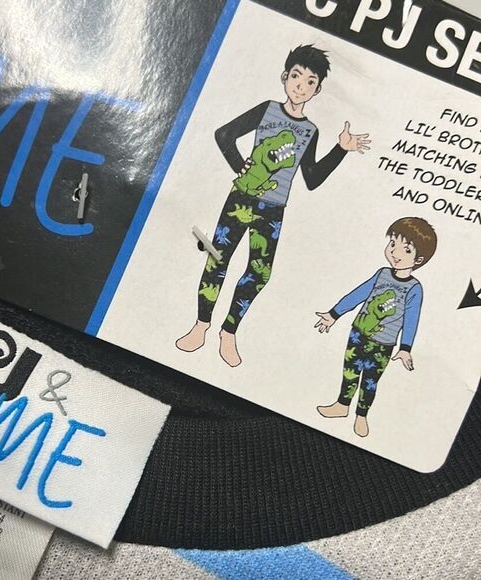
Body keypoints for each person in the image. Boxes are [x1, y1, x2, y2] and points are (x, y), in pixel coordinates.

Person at [176, 45, 370, 367]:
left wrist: (340, 149)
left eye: (310, 82)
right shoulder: (267, 109)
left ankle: (228, 331)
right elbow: (224, 135)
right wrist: (240, 166)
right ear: (284, 77)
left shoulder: (310, 131)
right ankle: (201, 325)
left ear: (317, 90)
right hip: (242, 196)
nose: (301, 86)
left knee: (259, 272)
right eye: (296, 76)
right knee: (217, 259)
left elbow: (312, 178)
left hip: (273, 208)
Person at [315, 216, 438, 437]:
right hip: (358, 333)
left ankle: (361, 415)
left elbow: (412, 318)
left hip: (384, 343)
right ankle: (342, 405)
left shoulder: (414, 288)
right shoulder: (382, 274)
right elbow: (359, 294)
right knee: (350, 372)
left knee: (370, 381)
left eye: (406, 250)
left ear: (418, 259)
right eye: (392, 244)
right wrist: (334, 314)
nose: (395, 253)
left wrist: (405, 348)